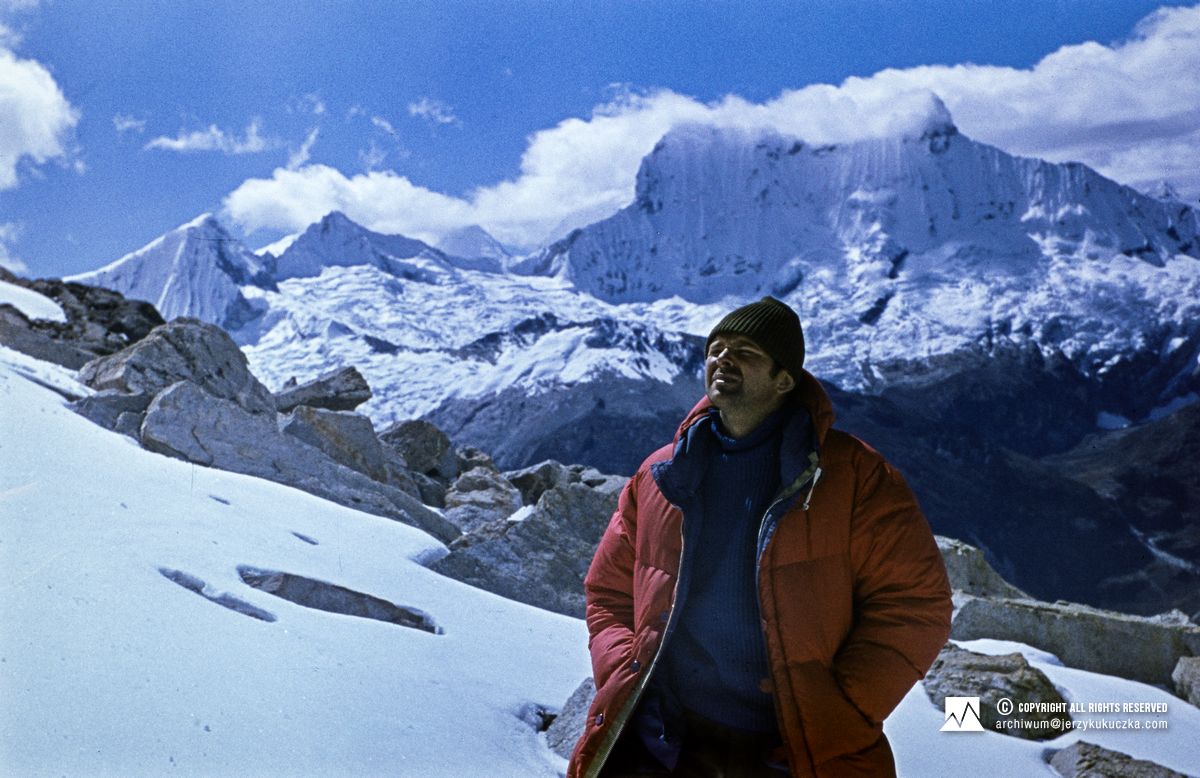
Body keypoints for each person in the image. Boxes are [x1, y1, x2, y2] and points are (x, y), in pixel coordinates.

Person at [567, 296, 952, 778]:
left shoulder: (856, 479)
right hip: (665, 738)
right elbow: (608, 590)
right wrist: (624, 671)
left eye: (745, 352)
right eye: (716, 349)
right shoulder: (661, 474)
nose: (723, 359)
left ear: (784, 380)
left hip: (787, 752)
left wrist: (840, 709)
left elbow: (916, 605)